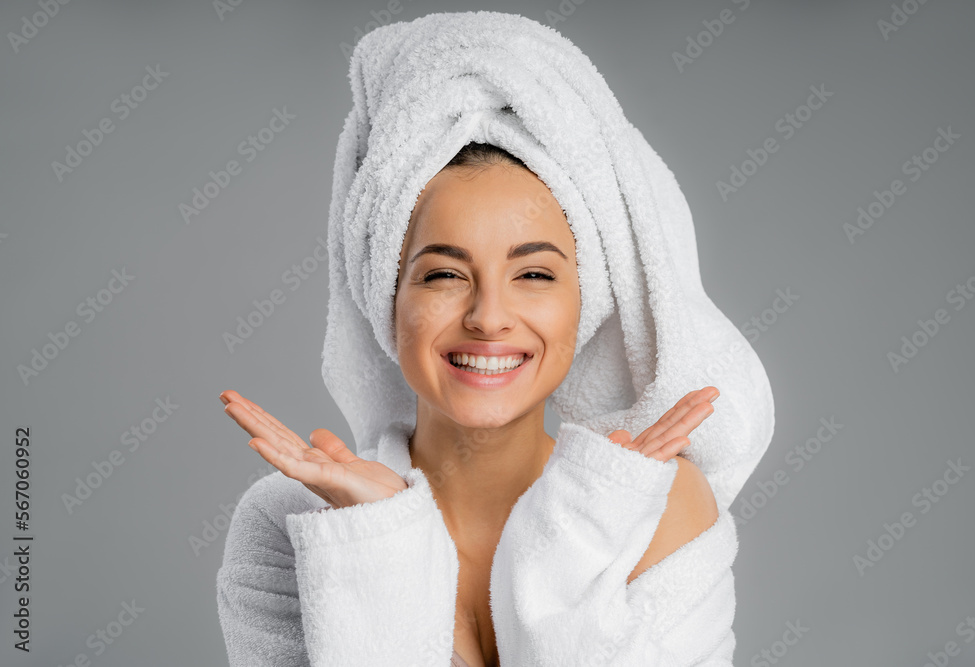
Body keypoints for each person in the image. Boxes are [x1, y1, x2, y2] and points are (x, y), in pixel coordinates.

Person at [216, 10, 773, 666]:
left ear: (583, 303)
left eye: (534, 273)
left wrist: (570, 542)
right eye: (445, 273)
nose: (488, 315)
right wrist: (381, 545)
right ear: (387, 298)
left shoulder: (658, 512)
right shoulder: (290, 527)